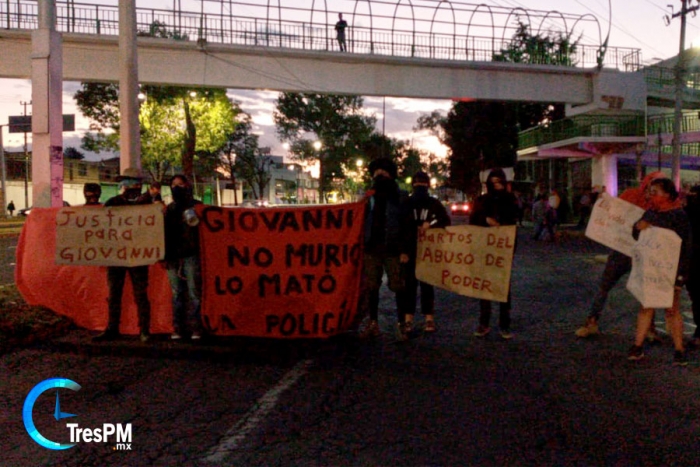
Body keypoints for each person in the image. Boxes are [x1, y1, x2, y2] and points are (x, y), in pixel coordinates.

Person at [575, 172, 667, 339]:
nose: (653, 190)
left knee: (646, 292)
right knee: (605, 285)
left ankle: (649, 328)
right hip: (622, 251)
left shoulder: (660, 204)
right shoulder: (632, 195)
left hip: (641, 254)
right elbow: (615, 218)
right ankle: (591, 321)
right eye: (652, 186)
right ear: (646, 184)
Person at [628, 178, 691, 366]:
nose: (650, 196)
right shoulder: (650, 213)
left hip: (669, 273)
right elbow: (636, 234)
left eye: (654, 192)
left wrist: (680, 276)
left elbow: (686, 247)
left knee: (672, 309)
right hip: (651, 271)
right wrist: (639, 228)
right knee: (646, 306)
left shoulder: (678, 216)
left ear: (668, 194)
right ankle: (637, 347)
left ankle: (679, 349)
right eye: (649, 191)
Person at [93, 168, 154, 343]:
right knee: (114, 294)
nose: (129, 186)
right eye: (126, 182)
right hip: (116, 255)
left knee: (140, 294)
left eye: (133, 182)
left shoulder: (147, 205)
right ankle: (112, 328)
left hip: (138, 255)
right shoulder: (112, 202)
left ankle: (145, 330)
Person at [358, 157, 406, 340]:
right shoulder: (369, 195)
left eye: (383, 171)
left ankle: (401, 324)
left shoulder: (400, 196)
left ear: (391, 174)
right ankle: (373, 323)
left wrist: (404, 250)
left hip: (393, 249)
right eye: (376, 171)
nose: (379, 174)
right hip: (372, 248)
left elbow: (405, 224)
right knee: (372, 287)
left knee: (398, 287)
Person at [399, 171, 451, 333]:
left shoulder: (432, 204)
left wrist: (431, 224)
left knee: (426, 285)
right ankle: (410, 319)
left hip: (428, 251)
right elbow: (400, 228)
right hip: (411, 250)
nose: (420, 187)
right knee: (411, 286)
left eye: (422, 184)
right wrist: (403, 251)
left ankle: (428, 318)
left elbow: (444, 221)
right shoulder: (407, 203)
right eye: (418, 184)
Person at [470, 168, 519, 340]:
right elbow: (473, 220)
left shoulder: (510, 199)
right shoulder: (482, 200)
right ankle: (484, 323)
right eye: (494, 182)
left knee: (503, 288)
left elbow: (514, 220)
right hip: (485, 249)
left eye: (499, 182)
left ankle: (504, 325)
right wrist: (485, 220)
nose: (496, 185)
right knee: (484, 288)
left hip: (503, 249)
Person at [164, 175, 203, 341]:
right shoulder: (168, 209)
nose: (177, 188)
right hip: (173, 256)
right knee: (176, 294)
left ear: (187, 186)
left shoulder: (197, 206)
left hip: (190, 254)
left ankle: (197, 328)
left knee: (194, 293)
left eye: (180, 184)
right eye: (174, 185)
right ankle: (178, 328)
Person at [684, 185, 700, 349]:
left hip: (693, 261)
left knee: (696, 298)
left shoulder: (687, 213)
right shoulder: (687, 213)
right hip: (693, 261)